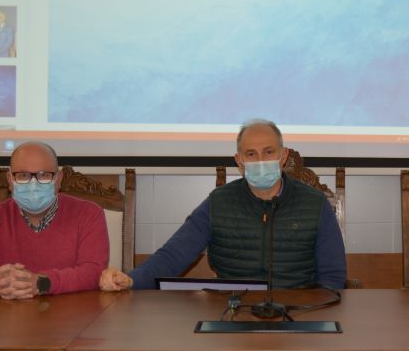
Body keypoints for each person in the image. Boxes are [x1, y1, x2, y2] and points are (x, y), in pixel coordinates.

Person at [100, 119, 347, 291]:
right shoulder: (218, 202)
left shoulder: (314, 204)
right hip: (234, 310)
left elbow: (333, 277)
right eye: (251, 154)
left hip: (300, 312)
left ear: (283, 157)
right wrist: (132, 280)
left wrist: (315, 315)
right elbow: (174, 255)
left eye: (269, 152)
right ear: (239, 161)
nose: (260, 161)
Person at [0, 142, 109, 299]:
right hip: (8, 319)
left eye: (44, 175)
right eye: (23, 176)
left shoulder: (88, 214)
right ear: (10, 180)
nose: (33, 184)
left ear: (59, 179)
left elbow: (94, 272)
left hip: (72, 319)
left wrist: (41, 283)